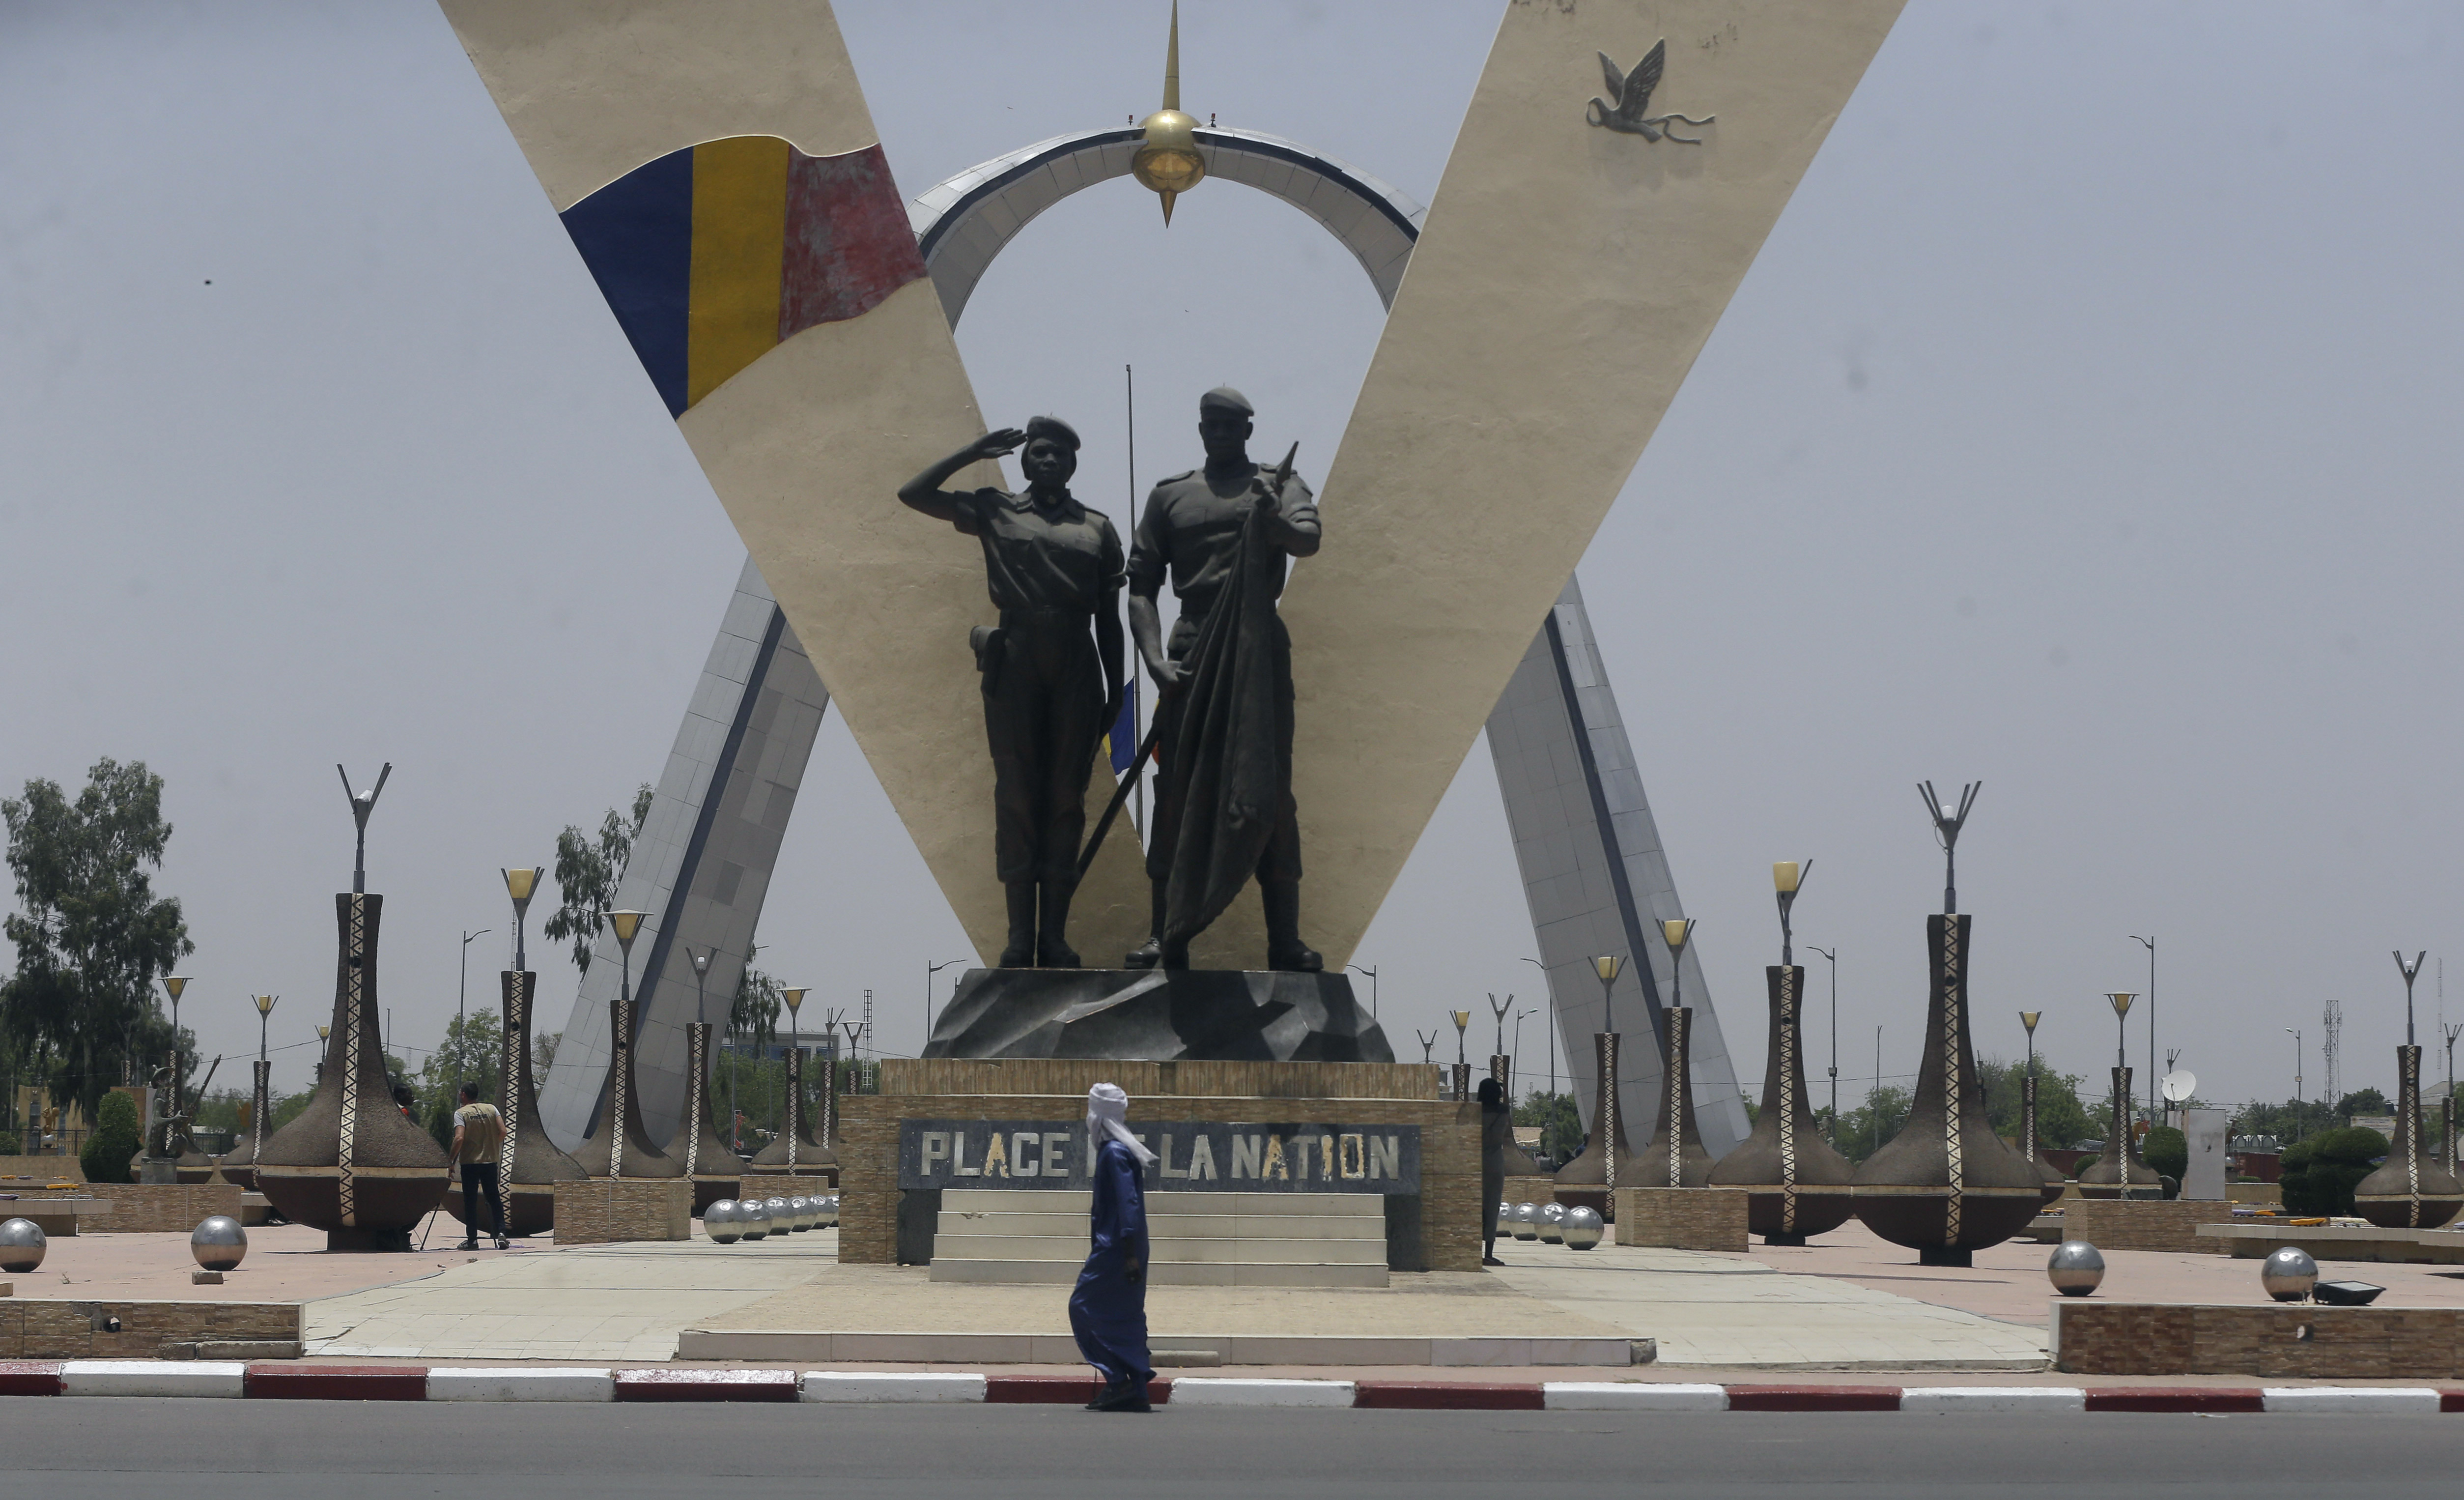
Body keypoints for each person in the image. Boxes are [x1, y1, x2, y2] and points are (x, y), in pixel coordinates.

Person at [900, 418, 1125, 968]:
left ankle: (1053, 937)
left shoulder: (1096, 527)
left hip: (1076, 660)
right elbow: (914, 494)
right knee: (1018, 795)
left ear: (1072, 465)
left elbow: (1110, 620)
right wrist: (972, 450)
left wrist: (1115, 691)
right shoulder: (996, 509)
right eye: (1040, 454)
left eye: (1059, 455)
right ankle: (1019, 938)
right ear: (1026, 462)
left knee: (1065, 799)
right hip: (1017, 656)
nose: (1048, 462)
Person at [1124, 386, 1323, 970]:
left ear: (1247, 431)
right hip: (1191, 647)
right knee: (1177, 791)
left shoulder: (1279, 483)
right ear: (1200, 428)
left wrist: (1270, 515)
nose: (1219, 432)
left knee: (1269, 790)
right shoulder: (1170, 495)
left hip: (1256, 650)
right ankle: (1167, 932)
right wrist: (1156, 660)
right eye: (1210, 423)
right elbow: (1140, 586)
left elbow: (1307, 539)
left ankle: (1283, 939)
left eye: (1230, 424)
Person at [1069, 1083, 1157, 1412]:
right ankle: (1134, 1388)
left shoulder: (1115, 1153)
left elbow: (1127, 1205)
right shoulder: (1120, 1150)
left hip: (1117, 1248)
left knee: (1082, 1306)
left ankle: (1118, 1379)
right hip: (1124, 1246)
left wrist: (1129, 1254)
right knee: (1124, 1313)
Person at [450, 1081, 508, 1251]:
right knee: (494, 1198)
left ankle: (473, 1240)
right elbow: (503, 1131)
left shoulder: (461, 1113)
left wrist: (451, 1161)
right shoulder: (492, 1109)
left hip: (470, 1163)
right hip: (490, 1161)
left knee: (470, 1201)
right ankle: (501, 1233)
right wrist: (493, 1146)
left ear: (463, 1095)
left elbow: (459, 1138)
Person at [1477, 1076, 1510, 1266]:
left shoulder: (1474, 1112)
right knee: (1492, 1208)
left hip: (1475, 1162)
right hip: (1495, 1162)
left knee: (1475, 1207)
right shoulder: (1503, 1111)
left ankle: (1474, 1250)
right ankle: (1489, 1253)